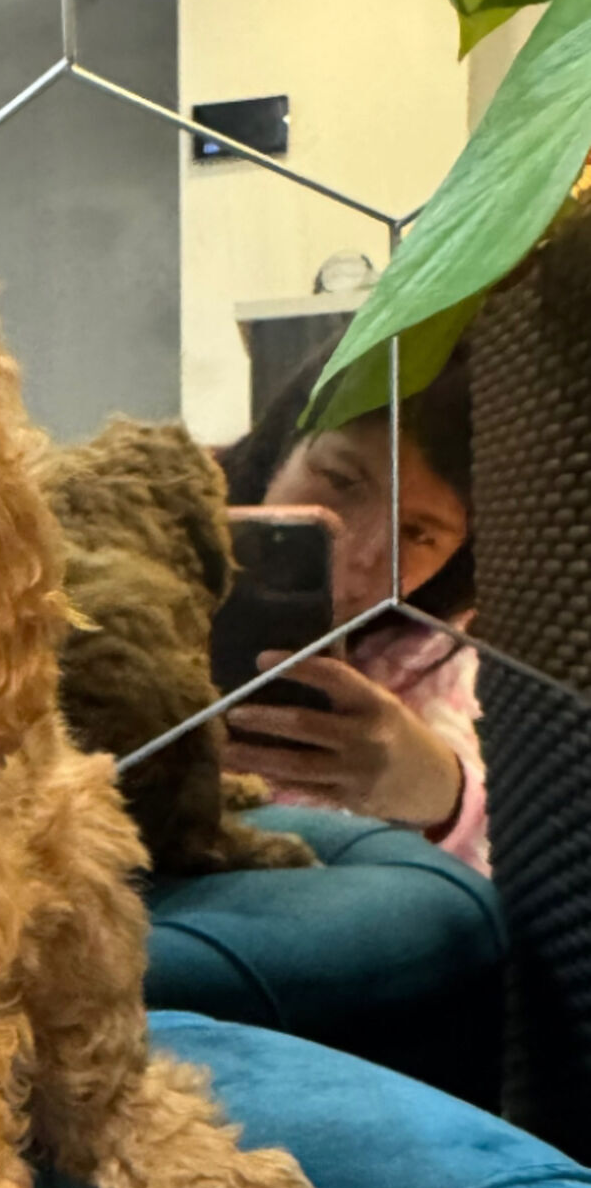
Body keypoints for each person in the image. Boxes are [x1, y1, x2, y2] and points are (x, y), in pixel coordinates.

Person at [215, 347, 488, 874]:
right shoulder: (131, 534)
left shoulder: (438, 655)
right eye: (341, 480)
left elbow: (507, 869)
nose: (359, 554)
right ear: (280, 446)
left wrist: (445, 797)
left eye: (418, 533)